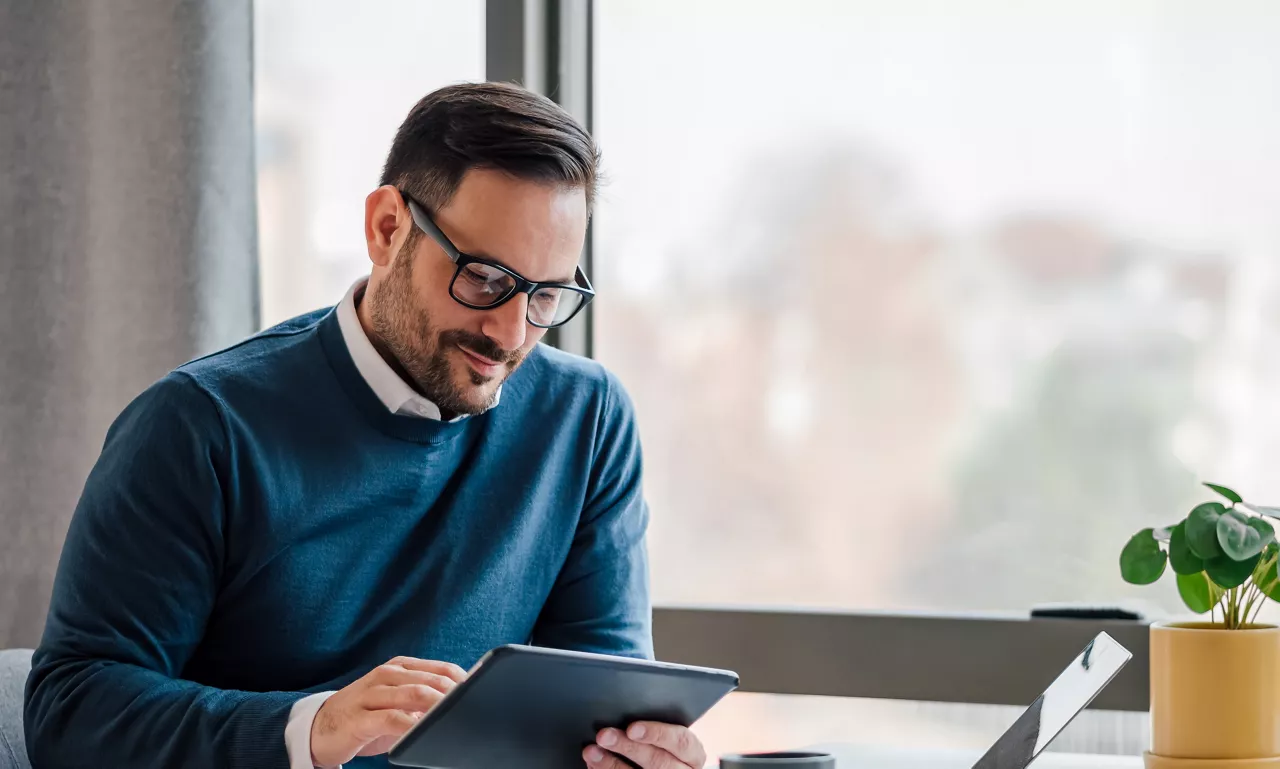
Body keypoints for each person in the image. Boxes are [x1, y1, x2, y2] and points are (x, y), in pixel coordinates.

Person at [24, 82, 707, 769]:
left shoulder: (586, 422)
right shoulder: (198, 428)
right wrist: (312, 727)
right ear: (387, 229)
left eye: (546, 295)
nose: (510, 332)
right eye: (484, 278)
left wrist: (637, 752)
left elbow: (601, 706)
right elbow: (71, 710)